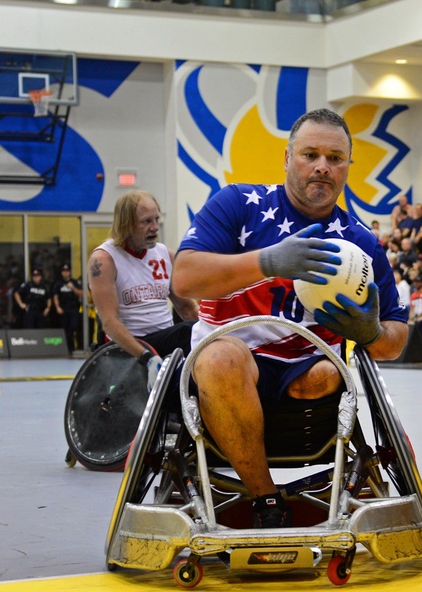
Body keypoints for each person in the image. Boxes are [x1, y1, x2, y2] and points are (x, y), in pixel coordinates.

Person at [172, 109, 408, 528]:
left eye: (335, 158)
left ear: (347, 168)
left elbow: (395, 339)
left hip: (307, 369)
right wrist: (267, 261)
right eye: (310, 154)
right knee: (220, 360)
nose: (322, 166)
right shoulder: (238, 205)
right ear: (286, 158)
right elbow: (185, 278)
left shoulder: (360, 242)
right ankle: (266, 501)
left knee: (326, 374)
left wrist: (370, 331)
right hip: (230, 354)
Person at [89, 190, 199, 389]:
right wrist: (146, 356)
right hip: (129, 345)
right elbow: (109, 322)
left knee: (199, 329)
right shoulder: (104, 259)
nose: (155, 227)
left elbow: (187, 308)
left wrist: (218, 333)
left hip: (164, 339)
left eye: (157, 219)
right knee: (189, 330)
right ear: (126, 224)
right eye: (146, 221)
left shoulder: (165, 255)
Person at [52, 263, 82, 353]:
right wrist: (57, 307)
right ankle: (67, 348)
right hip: (63, 308)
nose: (65, 273)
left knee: (74, 327)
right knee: (65, 329)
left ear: (70, 272)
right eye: (64, 271)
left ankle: (74, 347)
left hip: (73, 308)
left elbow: (81, 294)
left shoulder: (75, 282)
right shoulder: (58, 284)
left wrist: (73, 287)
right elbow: (55, 296)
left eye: (67, 271)